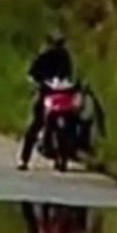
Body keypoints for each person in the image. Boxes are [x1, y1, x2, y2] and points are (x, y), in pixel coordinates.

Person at [17, 32, 74, 171]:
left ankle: (62, 158)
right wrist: (40, 82)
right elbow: (32, 74)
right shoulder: (44, 56)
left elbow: (68, 74)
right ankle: (24, 159)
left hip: (60, 93)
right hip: (45, 92)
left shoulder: (65, 56)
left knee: (67, 123)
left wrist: (65, 83)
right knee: (36, 123)